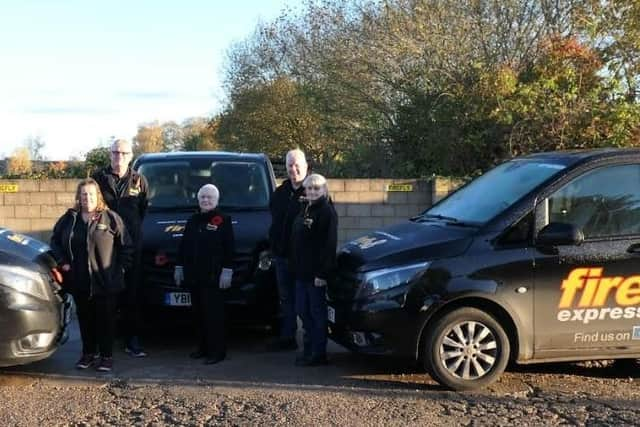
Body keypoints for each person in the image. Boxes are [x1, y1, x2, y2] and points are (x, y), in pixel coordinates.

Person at [50, 178, 133, 372]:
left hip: (106, 281)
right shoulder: (69, 219)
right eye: (84, 194)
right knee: (85, 319)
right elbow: (55, 241)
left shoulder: (110, 218)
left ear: (98, 197)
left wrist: (119, 269)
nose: (87, 198)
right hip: (79, 281)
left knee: (105, 320)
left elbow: (127, 247)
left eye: (91, 194)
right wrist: (62, 262)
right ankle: (88, 353)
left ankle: (106, 356)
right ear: (78, 197)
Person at [92, 138, 149, 357]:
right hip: (105, 246)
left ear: (131, 156)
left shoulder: (139, 180)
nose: (119, 157)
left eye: (124, 153)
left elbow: (142, 210)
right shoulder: (98, 179)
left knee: (131, 293)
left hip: (132, 245)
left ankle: (131, 339)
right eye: (116, 152)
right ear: (110, 154)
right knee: (103, 293)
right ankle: (101, 341)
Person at [173, 184, 235, 365]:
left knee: (213, 316)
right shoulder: (193, 220)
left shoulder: (223, 220)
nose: (206, 200)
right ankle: (203, 348)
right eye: (203, 197)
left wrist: (227, 271)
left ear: (216, 200)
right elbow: (184, 246)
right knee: (198, 314)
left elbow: (229, 248)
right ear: (198, 199)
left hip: (214, 277)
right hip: (194, 276)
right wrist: (179, 266)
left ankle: (217, 352)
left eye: (210, 197)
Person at [291, 173, 338, 366]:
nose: (312, 191)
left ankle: (318, 353)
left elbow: (329, 245)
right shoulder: (306, 208)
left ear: (324, 190)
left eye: (316, 188)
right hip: (301, 272)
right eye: (309, 188)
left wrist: (322, 274)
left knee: (316, 313)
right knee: (303, 310)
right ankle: (308, 348)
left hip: (315, 274)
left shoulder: (327, 212)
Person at [267, 148, 310, 351]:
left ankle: (311, 344)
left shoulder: (313, 191)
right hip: (282, 257)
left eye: (297, 165)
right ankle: (288, 338)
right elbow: (274, 222)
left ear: (306, 167)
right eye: (290, 166)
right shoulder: (280, 193)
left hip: (302, 260)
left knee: (305, 302)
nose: (294, 169)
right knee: (286, 300)